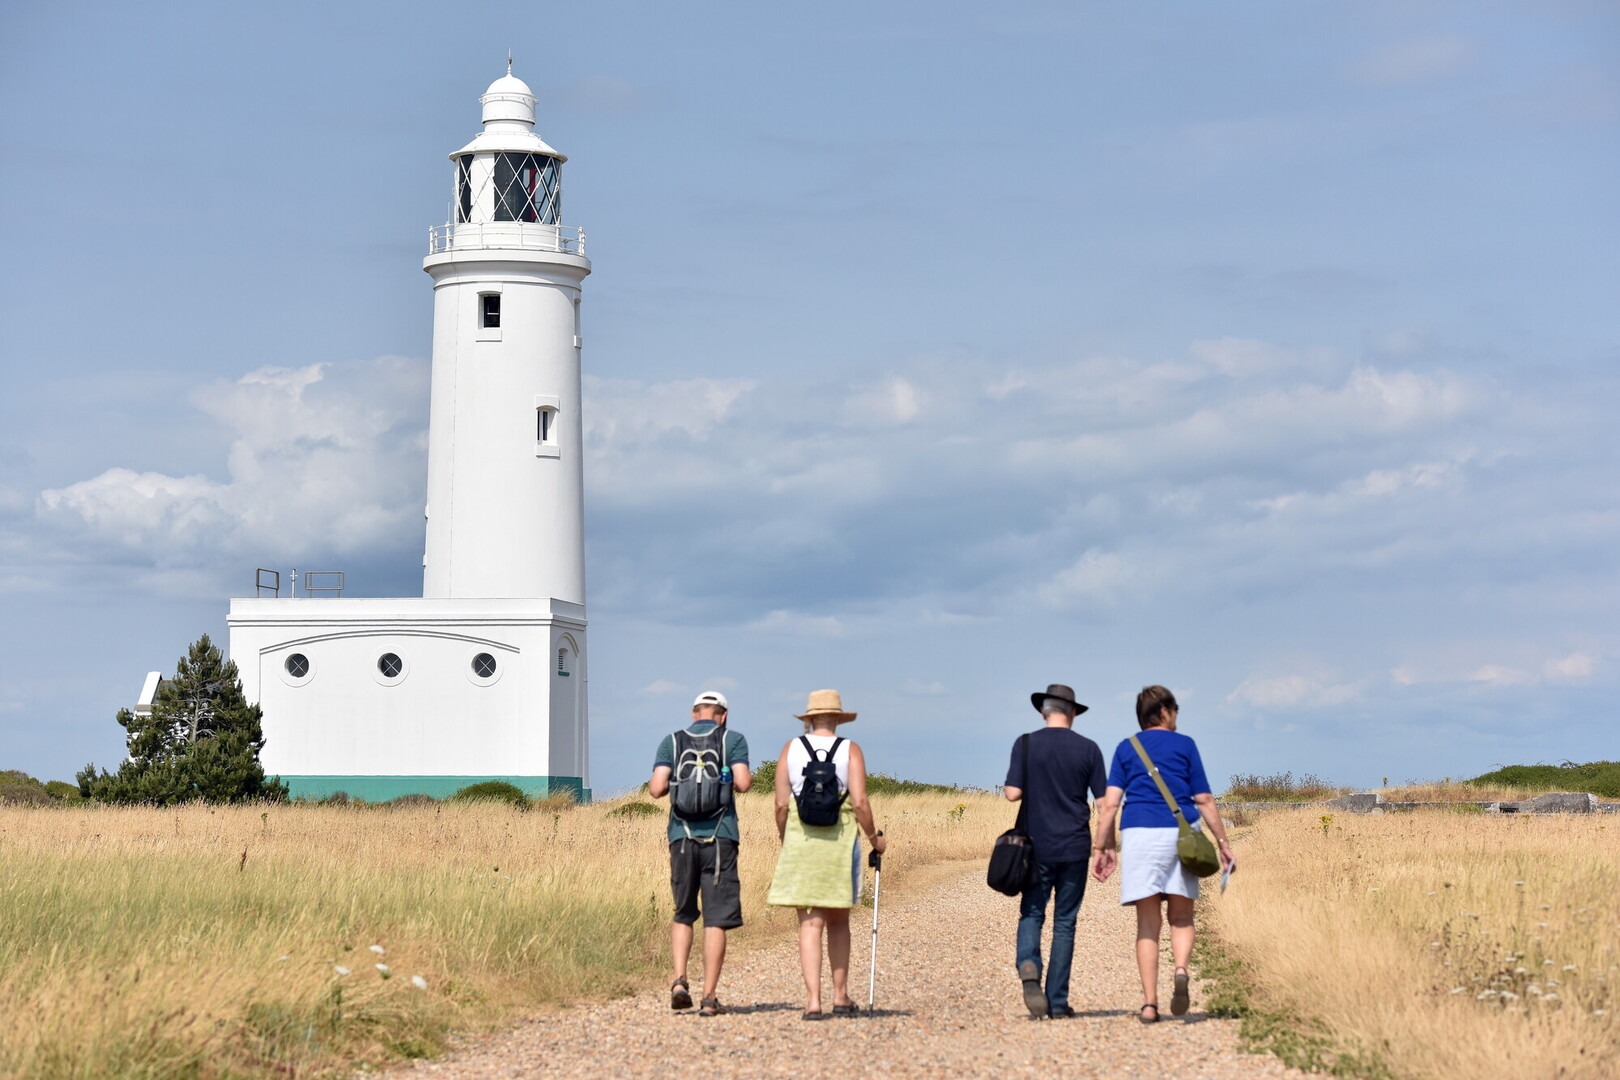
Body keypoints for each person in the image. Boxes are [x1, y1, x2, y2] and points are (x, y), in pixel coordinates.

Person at [1091, 686, 1235, 1024]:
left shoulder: (1127, 748)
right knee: (1182, 918)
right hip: (1179, 835)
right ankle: (1181, 970)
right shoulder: (1185, 745)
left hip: (1140, 835)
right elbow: (1204, 800)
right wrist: (1223, 842)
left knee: (1147, 925)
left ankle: (1149, 1005)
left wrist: (1102, 846)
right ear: (1166, 712)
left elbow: (1110, 804)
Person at [766, 689, 888, 1019]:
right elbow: (860, 802)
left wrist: (785, 837)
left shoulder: (790, 749)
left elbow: (780, 804)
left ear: (808, 719)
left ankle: (813, 1002)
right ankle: (840, 996)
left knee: (809, 924)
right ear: (837, 718)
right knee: (838, 922)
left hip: (801, 842)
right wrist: (874, 837)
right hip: (839, 843)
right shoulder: (851, 750)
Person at [1003, 682, 1108, 1019]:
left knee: (1032, 912)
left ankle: (1029, 965)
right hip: (1075, 846)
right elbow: (1106, 804)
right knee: (1065, 923)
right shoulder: (1089, 749)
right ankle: (1058, 1002)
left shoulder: (1026, 744)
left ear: (1043, 711)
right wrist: (1105, 846)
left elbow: (1011, 793)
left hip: (1036, 847)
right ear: (1073, 713)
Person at [648, 690, 752, 1017]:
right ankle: (709, 997)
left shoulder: (672, 742)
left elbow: (655, 789)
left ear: (694, 713)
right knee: (715, 917)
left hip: (681, 836)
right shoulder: (732, 739)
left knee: (683, 912)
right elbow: (745, 783)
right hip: (721, 837)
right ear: (723, 715)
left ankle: (679, 980)